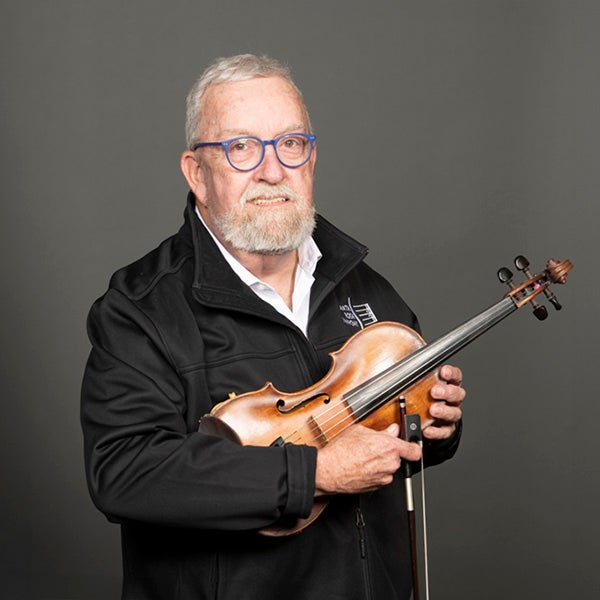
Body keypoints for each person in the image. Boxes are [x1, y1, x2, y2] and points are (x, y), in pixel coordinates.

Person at [81, 53, 465, 600]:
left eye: (290, 144)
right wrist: (313, 473)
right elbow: (126, 473)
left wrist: (435, 423)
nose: (271, 170)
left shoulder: (366, 287)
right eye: (241, 148)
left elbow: (397, 437)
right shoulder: (139, 308)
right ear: (197, 174)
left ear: (310, 158)